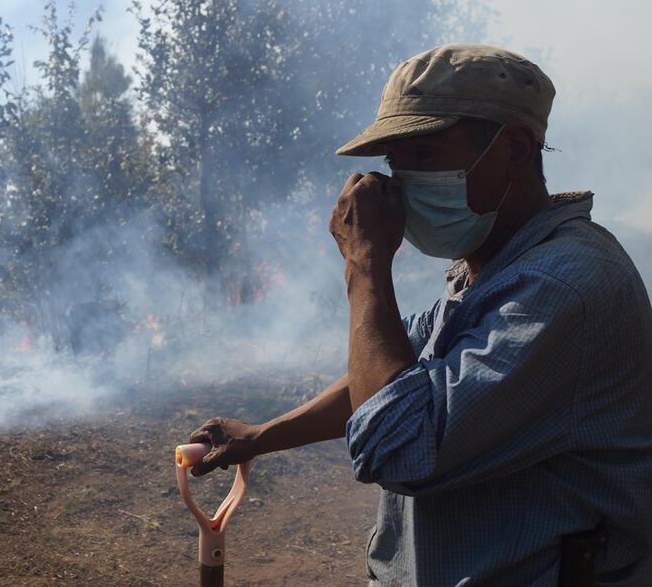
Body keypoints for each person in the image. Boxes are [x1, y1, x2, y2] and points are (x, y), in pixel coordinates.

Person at [187, 44, 652, 585]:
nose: (398, 186)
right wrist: (261, 435)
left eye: (424, 156)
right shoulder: (496, 267)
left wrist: (365, 266)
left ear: (516, 149)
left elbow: (398, 444)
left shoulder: (562, 287)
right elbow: (395, 381)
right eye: (394, 164)